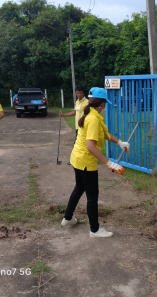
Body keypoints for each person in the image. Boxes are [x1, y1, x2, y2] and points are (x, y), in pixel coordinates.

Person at [61, 87, 130, 238]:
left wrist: (119, 142)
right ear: (102, 104)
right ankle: (95, 230)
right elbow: (91, 146)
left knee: (79, 187)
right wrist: (109, 163)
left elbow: (103, 133)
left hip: (77, 158)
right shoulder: (92, 119)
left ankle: (67, 218)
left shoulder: (91, 114)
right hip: (85, 161)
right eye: (105, 104)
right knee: (92, 196)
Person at [59, 86, 89, 164]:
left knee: (78, 144)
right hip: (77, 127)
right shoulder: (77, 102)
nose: (79, 94)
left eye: (80, 93)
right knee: (79, 144)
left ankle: (74, 160)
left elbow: (89, 115)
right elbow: (74, 112)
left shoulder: (87, 102)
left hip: (84, 127)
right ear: (76, 93)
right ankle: (78, 159)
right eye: (77, 93)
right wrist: (63, 115)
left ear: (83, 93)